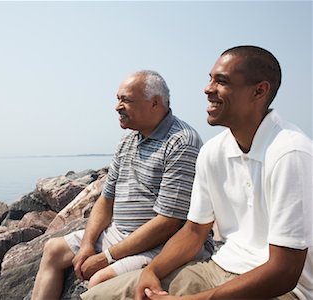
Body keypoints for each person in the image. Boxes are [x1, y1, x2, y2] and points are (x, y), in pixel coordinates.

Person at [81, 45, 312, 300]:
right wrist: (153, 271)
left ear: (259, 90)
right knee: (98, 296)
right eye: (210, 79)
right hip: (218, 269)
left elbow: (285, 271)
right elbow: (193, 232)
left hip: (282, 290)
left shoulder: (290, 153)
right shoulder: (213, 151)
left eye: (221, 81)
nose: (207, 89)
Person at [31, 70, 214, 300]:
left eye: (126, 100)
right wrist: (88, 244)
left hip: (163, 243)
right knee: (53, 249)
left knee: (99, 280)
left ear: (155, 103)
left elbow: (168, 222)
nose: (117, 106)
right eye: (118, 99)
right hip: (121, 234)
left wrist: (106, 257)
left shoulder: (181, 142)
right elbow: (106, 200)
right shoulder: (128, 139)